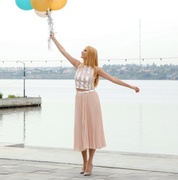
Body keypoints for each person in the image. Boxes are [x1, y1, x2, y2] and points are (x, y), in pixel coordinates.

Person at [50, 32, 140, 176]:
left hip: (91, 100)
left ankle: (90, 163)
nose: (82, 51)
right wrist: (53, 38)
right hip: (79, 99)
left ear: (90, 54)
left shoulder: (95, 69)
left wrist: (131, 87)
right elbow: (63, 51)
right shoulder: (77, 65)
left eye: (85, 50)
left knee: (91, 130)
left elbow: (113, 79)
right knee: (81, 130)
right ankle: (84, 162)